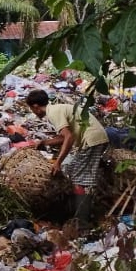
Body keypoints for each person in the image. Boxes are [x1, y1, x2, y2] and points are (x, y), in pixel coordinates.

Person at [25, 88, 109, 229]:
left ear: (35, 106)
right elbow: (64, 136)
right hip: (96, 138)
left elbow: (69, 138)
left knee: (78, 179)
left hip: (92, 139)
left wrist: (58, 162)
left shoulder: (53, 113)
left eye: (32, 109)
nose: (33, 113)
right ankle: (82, 215)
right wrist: (44, 142)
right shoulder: (58, 108)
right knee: (74, 172)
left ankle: (81, 222)